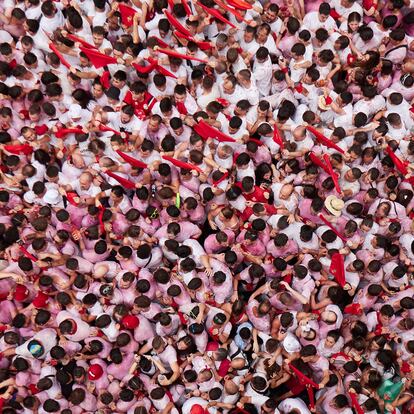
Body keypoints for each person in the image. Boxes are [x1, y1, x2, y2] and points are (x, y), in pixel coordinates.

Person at [0, 0, 413, 413]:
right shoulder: (206, 265)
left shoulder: (200, 287)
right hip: (241, 245)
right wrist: (255, 254)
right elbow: (224, 243)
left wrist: (264, 266)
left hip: (247, 248)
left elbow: (243, 261)